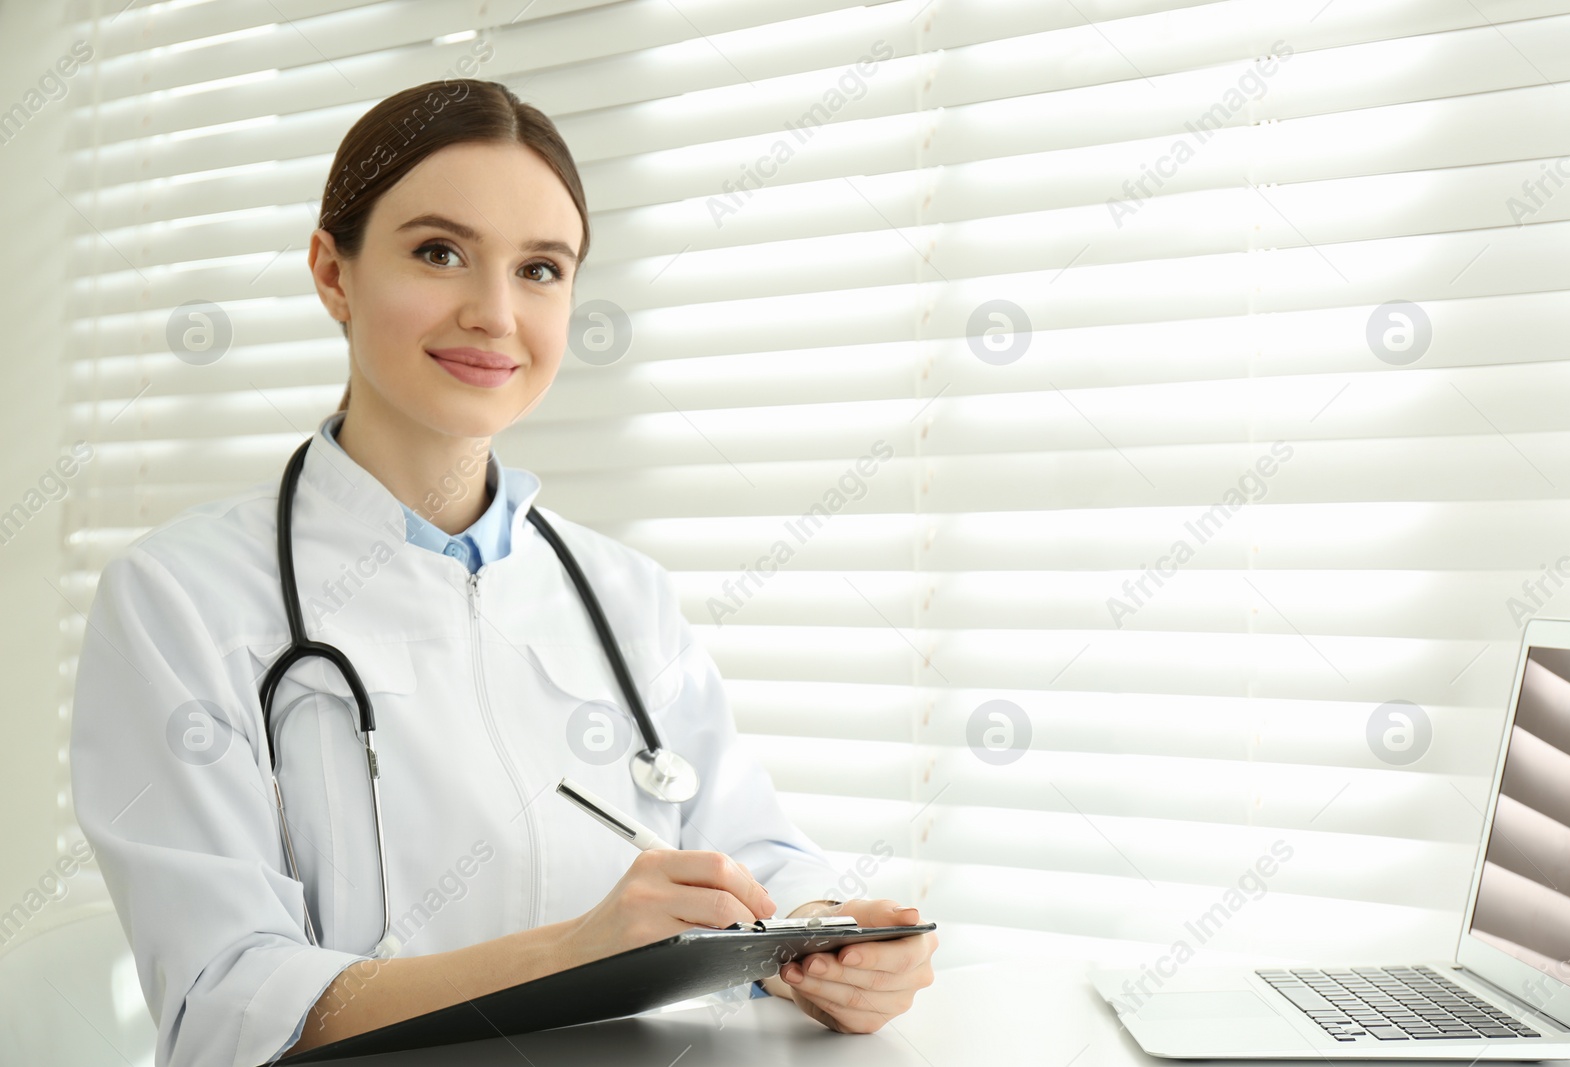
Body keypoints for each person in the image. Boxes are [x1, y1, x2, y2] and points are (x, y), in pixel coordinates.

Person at [69, 79, 936, 1067]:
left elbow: (754, 851)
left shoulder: (624, 594)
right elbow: (225, 998)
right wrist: (571, 954)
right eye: (439, 252)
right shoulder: (180, 599)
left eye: (539, 268)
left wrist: (820, 935)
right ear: (331, 271)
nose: (493, 312)